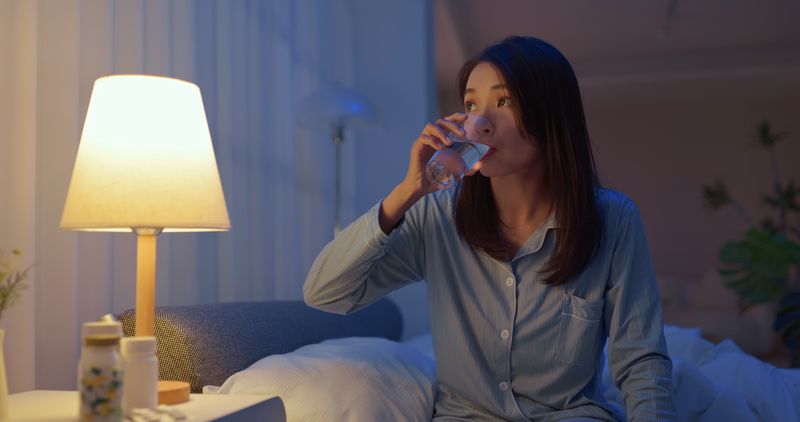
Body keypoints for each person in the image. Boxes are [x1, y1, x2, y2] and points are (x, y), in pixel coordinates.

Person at [303, 35, 676, 421]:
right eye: (470, 105)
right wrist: (406, 191)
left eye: (504, 101)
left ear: (551, 114)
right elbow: (325, 293)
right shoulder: (437, 216)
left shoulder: (612, 220)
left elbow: (642, 360)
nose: (479, 123)